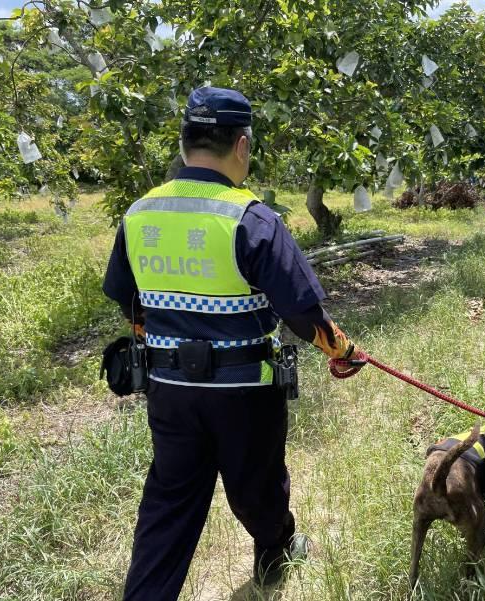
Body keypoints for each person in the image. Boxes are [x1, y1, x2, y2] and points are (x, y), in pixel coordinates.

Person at [102, 87, 365, 600]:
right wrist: (343, 350)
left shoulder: (139, 214)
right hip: (244, 391)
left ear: (183, 144)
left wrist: (153, 338)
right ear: (242, 146)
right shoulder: (251, 217)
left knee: (169, 503)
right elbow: (301, 313)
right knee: (257, 485)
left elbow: (128, 300)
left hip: (169, 389)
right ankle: (276, 550)